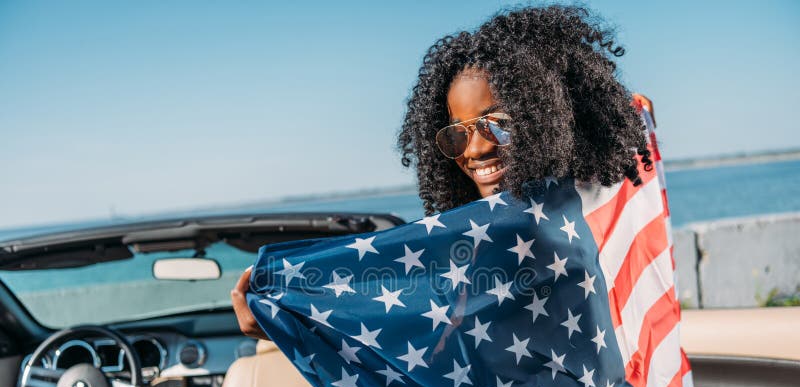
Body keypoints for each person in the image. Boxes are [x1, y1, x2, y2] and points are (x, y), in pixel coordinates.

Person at [232, 5, 652, 336]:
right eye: (456, 134)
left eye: (499, 124)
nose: (478, 148)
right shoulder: (476, 245)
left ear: (548, 120)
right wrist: (287, 315)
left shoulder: (557, 236)